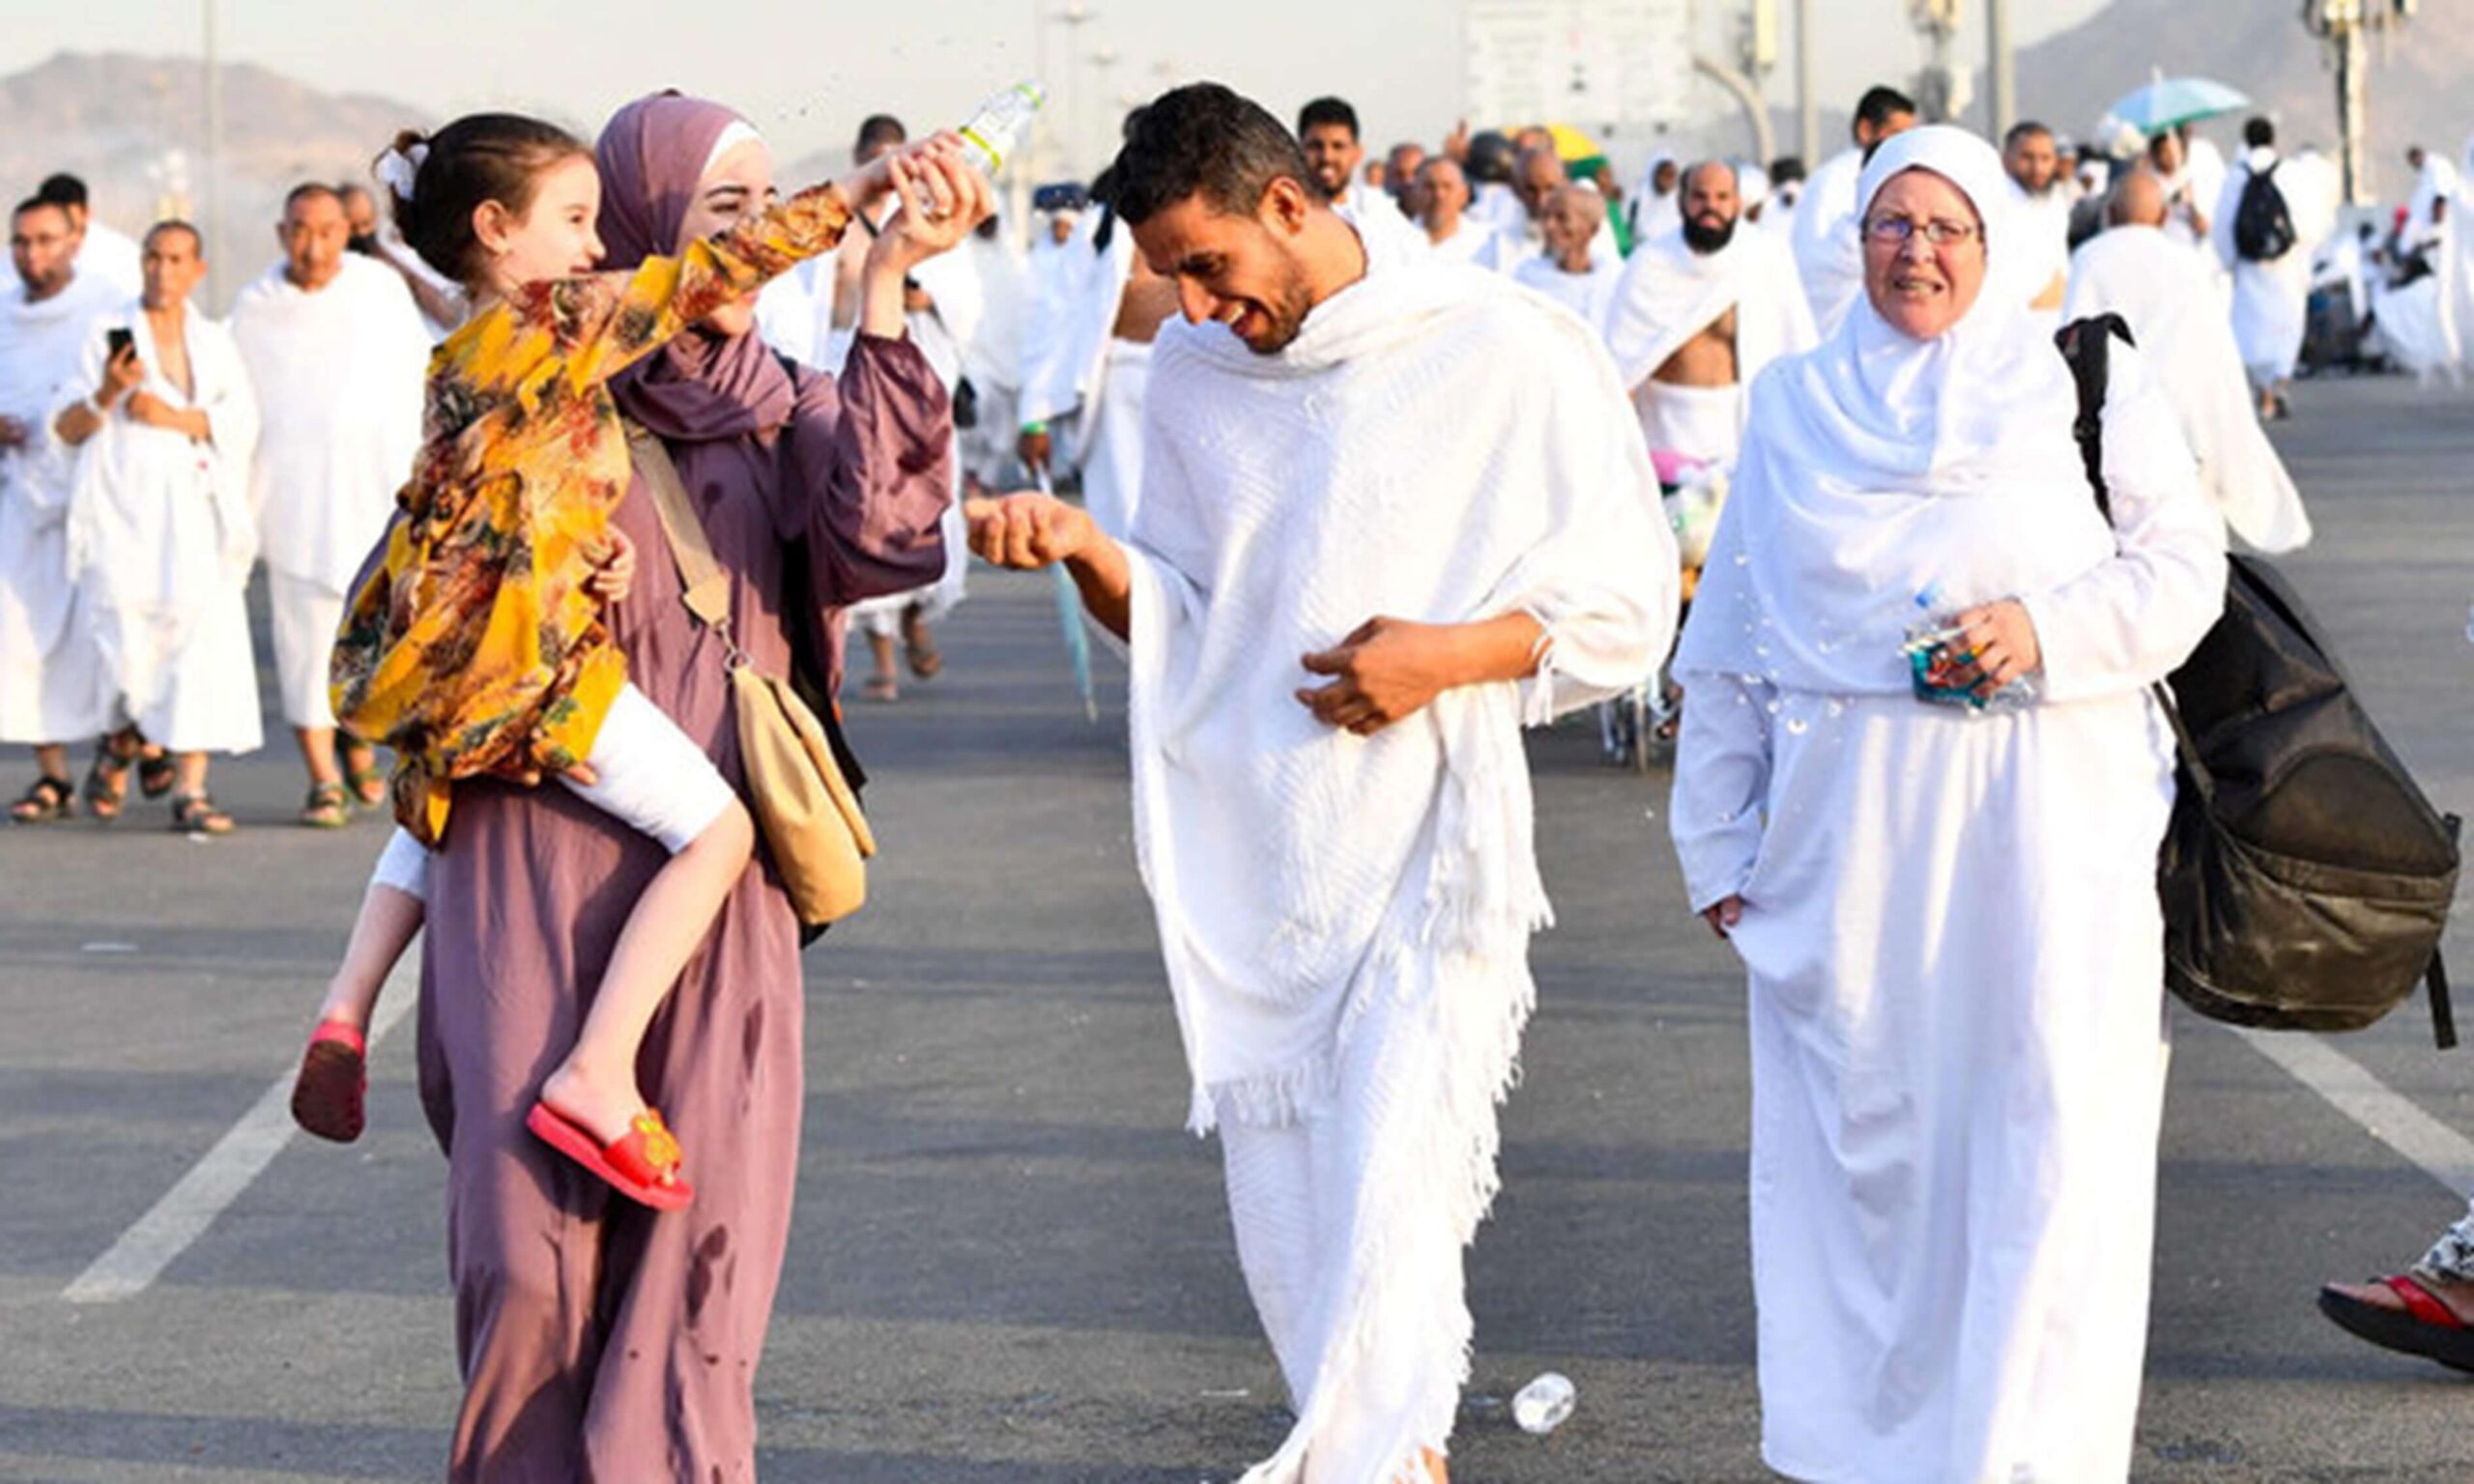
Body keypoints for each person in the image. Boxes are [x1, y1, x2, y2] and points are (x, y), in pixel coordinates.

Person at [967, 82, 1677, 1484]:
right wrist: (1087, 551)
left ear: (1289, 205)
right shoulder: (1191, 376)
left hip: (1428, 867)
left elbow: (1630, 606)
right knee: (1303, 1257)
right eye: (1168, 275)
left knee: (1389, 1236)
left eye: (1210, 265)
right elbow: (1186, 615)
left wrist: (1448, 658)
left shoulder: (1495, 349)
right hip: (1260, 872)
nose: (1192, 304)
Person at [320, 92, 959, 1480]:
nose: (739, 248)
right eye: (711, 218)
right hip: (521, 870)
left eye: (755, 213)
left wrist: (885, 292)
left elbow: (890, 537)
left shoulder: (789, 409)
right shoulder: (538, 391)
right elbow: (425, 621)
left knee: (699, 1263)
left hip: (713, 900)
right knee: (527, 1261)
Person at [1669, 126, 2225, 1482]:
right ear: (1853, 238)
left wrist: (2040, 629)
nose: (1917, 253)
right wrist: (1719, 844)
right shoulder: (1795, 402)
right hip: (1850, 848)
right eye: (1891, 226)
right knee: (1872, 1164)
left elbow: (2184, 572)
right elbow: (1732, 638)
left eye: (1947, 228)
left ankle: (2026, 1457)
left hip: (2048, 835)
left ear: (1994, 241)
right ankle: (1870, 1454)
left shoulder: (2078, 385)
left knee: (2047, 1137)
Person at [51, 221, 263, 835]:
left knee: (200, 641)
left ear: (196, 269)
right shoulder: (103, 335)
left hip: (195, 514)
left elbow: (242, 420)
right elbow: (65, 428)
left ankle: (191, 788)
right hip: (123, 513)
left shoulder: (215, 343)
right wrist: (107, 394)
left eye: (175, 260)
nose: (161, 271)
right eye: (152, 258)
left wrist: (177, 417)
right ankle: (124, 737)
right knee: (123, 637)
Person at [230, 184, 431, 827]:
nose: (312, 245)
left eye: (325, 230)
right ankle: (321, 777)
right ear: (280, 232)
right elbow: (234, 406)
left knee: (377, 636)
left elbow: (413, 384)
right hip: (288, 497)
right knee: (301, 640)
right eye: (298, 230)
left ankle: (359, 749)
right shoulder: (255, 306)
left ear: (346, 231)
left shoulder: (379, 292)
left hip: (373, 493)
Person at [812, 112, 980, 701]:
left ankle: (916, 617)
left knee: (919, 509)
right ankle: (881, 654)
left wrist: (920, 293)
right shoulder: (831, 230)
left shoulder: (937, 221)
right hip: (842, 379)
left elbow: (967, 310)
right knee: (863, 504)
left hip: (917, 377)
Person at [2068, 168, 2312, 553]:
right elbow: (2214, 354)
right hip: (2182, 420)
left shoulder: (2089, 259)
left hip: (2114, 423)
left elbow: (2072, 342)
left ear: (2110, 213)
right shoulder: (2184, 263)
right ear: (2164, 218)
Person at [0, 196, 120, 823]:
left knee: (104, 635)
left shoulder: (106, 308)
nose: (32, 254)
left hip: (96, 498)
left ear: (74, 240)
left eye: (45, 240)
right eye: (22, 242)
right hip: (16, 502)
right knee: (17, 637)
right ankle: (51, 775)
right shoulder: (2, 310)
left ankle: (123, 748)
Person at [1602, 159, 1816, 469]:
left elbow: (1798, 348)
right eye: (1700, 197)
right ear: (1681, 202)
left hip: (1747, 438)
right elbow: (1621, 371)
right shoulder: (1649, 265)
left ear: (1738, 203)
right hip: (1668, 443)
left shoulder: (1766, 256)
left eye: (1722, 198)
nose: (1710, 207)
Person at [2212, 117, 2340, 421]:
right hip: (2286, 266)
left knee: (2251, 327)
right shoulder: (2290, 173)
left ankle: (2263, 390)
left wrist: (2230, 260)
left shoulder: (2235, 177)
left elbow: (2223, 225)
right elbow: (2310, 223)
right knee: (2286, 325)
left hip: (2250, 267)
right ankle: (2279, 382)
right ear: (2273, 139)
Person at [1790, 84, 1917, 336]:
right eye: (1896, 134)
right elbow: (1813, 262)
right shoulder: (1833, 180)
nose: (1904, 144)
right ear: (1866, 130)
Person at [1297, 95, 1428, 262]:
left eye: (1338, 146)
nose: (1327, 157)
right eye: (1315, 146)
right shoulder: (1282, 211)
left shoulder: (1378, 213)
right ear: (1297, 150)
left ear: (1357, 153)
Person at [1510, 184, 1621, 328]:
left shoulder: (1615, 281)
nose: (1549, 225)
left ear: (1592, 230)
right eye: (1546, 216)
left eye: (1562, 218)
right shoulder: (1527, 275)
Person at [2003, 121, 2072, 322]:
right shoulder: (1995, 202)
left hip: (2057, 318)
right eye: (2027, 157)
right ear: (2006, 159)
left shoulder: (2056, 201)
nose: (2038, 168)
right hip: (2015, 320)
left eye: (2045, 158)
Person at [36, 173, 142, 300]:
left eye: (68, 218)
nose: (62, 225)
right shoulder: (20, 255)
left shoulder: (122, 254)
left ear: (86, 213)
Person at [1412, 157, 1503, 268]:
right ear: (1415, 193)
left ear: (1464, 195)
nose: (1439, 195)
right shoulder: (1395, 241)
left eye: (1447, 187)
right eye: (1430, 186)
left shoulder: (1486, 244)